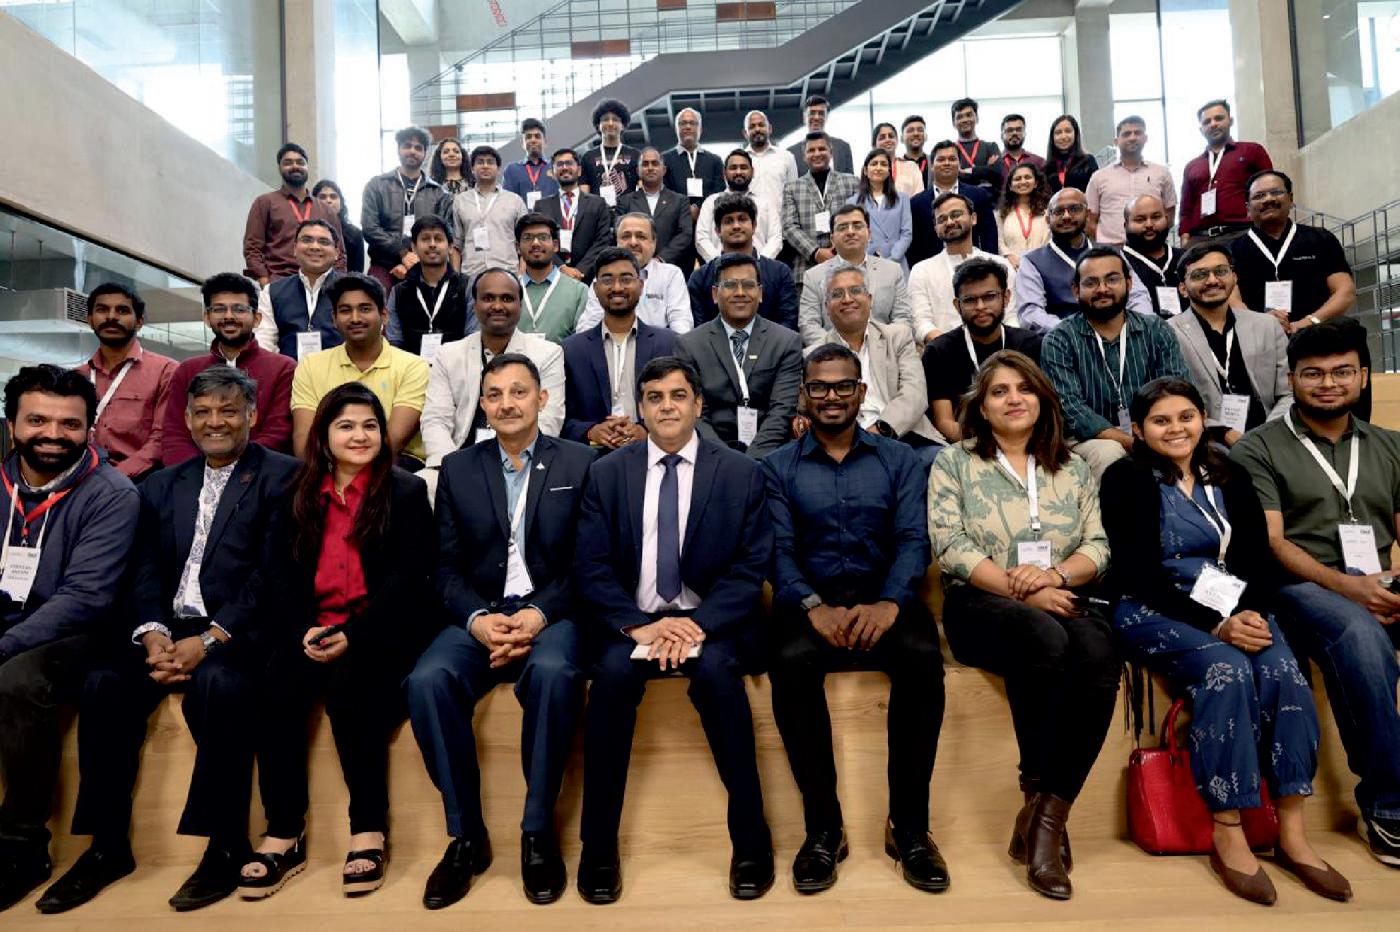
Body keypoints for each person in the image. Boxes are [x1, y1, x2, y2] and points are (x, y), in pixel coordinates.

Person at [39, 366, 297, 913]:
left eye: (229, 411)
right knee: (104, 683)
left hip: (238, 630)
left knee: (219, 687)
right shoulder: (161, 483)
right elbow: (144, 569)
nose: (215, 422)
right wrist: (153, 632)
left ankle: (224, 843)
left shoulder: (284, 478)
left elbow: (273, 575)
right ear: (186, 418)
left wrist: (211, 639)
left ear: (252, 415)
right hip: (167, 629)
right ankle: (106, 845)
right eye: (203, 412)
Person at [1101, 378, 1349, 905]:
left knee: (1284, 669)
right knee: (1228, 670)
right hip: (1154, 604)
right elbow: (1138, 572)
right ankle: (1228, 827)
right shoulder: (1127, 478)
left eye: (1186, 417)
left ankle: (1292, 832)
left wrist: (1246, 613)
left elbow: (1256, 557)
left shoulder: (1228, 471)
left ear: (1202, 419)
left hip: (1233, 603)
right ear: (1138, 430)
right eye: (1161, 421)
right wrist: (1217, 626)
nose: (1176, 429)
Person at [572, 356, 775, 904]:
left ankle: (751, 841)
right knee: (609, 685)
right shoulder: (606, 473)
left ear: (698, 404)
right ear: (640, 407)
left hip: (712, 624)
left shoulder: (740, 472)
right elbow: (591, 565)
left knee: (720, 682)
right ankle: (598, 847)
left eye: (678, 395)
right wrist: (636, 625)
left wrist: (696, 625)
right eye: (655, 397)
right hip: (632, 625)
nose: (667, 407)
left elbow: (750, 567)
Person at [407, 355, 595, 908]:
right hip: (481, 614)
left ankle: (537, 832)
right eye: (495, 394)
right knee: (428, 681)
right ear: (483, 405)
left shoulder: (582, 462)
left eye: (519, 392)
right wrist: (478, 620)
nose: (507, 403)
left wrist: (538, 615)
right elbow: (444, 568)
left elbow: (590, 562)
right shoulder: (459, 468)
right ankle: (466, 836)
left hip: (553, 613)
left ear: (542, 398)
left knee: (554, 673)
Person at [929, 351, 1116, 901]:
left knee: (1101, 654)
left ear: (1043, 400)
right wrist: (1022, 589)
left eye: (1025, 389)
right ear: (981, 408)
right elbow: (951, 545)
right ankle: (1038, 804)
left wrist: (1053, 577)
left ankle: (1046, 814)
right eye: (999, 391)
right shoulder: (955, 462)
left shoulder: (1073, 466)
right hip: (978, 602)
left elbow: (1098, 546)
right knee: (1043, 637)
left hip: (1059, 591)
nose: (1014, 399)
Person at [763, 344, 948, 896]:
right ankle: (824, 828)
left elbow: (913, 540)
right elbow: (778, 549)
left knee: (923, 659)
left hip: (884, 601)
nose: (831, 396)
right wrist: (810, 605)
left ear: (862, 392)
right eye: (819, 387)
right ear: (804, 394)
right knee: (788, 662)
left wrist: (889, 602)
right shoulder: (777, 467)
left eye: (843, 385)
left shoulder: (900, 461)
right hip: (811, 605)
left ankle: (909, 828)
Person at [242, 383, 436, 901]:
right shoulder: (295, 490)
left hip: (379, 631)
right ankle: (284, 832)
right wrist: (304, 627)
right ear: (323, 435)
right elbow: (278, 572)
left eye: (370, 425)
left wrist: (354, 634)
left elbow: (409, 580)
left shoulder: (405, 491)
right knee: (274, 689)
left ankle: (368, 829)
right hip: (313, 628)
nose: (360, 435)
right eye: (345, 426)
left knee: (352, 693)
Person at [1229, 319, 1400, 868]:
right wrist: (1354, 589)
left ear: (1363, 376)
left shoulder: (1389, 445)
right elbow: (1273, 542)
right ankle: (1388, 804)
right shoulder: (1257, 448)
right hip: (1297, 587)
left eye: (1342, 372)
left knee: (1366, 624)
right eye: (1313, 374)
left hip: (1378, 581)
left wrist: (1389, 584)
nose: (1328, 384)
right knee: (1360, 635)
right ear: (1292, 379)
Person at [0, 367, 139, 914]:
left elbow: (85, 597)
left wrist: (5, 644)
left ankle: (21, 844)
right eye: (38, 420)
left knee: (16, 680)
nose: (53, 434)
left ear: (89, 429)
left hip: (76, 631)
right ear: (12, 426)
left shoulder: (112, 493)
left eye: (70, 424)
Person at [1039, 247, 1189, 478]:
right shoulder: (1060, 339)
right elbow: (1069, 407)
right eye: (1091, 283)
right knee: (1110, 452)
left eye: (1112, 279)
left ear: (1129, 284)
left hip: (1154, 430)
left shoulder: (1156, 330)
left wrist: (1153, 433)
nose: (1102, 289)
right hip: (1088, 438)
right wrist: (1130, 441)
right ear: (1076, 290)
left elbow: (1177, 389)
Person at [420, 269, 565, 475]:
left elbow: (549, 419)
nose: (497, 306)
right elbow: (436, 419)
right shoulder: (448, 355)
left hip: (523, 464)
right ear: (475, 305)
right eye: (488, 298)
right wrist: (453, 469)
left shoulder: (548, 354)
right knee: (422, 485)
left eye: (507, 298)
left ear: (520, 305)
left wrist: (512, 463)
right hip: (457, 461)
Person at [290, 274, 431, 464]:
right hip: (327, 466)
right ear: (334, 319)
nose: (355, 318)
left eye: (365, 309)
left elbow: (393, 441)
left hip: (393, 465)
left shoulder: (413, 367)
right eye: (345, 310)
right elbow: (304, 442)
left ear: (384, 316)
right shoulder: (311, 366)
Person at [676, 253, 803, 459]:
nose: (740, 293)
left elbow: (782, 411)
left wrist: (753, 461)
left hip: (770, 455)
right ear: (715, 294)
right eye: (730, 285)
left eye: (749, 285)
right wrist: (729, 462)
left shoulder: (786, 342)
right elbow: (695, 413)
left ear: (760, 293)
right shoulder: (689, 345)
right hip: (711, 455)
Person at [162, 272, 296, 464]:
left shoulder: (283, 368)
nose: (228, 316)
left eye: (239, 309)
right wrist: (202, 474)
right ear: (207, 317)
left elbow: (277, 435)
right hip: (195, 476)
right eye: (219, 309)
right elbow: (175, 437)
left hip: (260, 475)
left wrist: (230, 471)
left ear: (257, 318)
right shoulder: (187, 371)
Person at [809, 266, 940, 460]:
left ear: (870, 299)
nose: (847, 299)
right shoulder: (814, 355)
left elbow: (915, 394)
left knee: (939, 460)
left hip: (903, 436)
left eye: (855, 291)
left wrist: (879, 430)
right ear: (827, 307)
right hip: (843, 445)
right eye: (837, 294)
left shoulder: (898, 337)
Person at [1167, 243, 1291, 446]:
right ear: (1182, 288)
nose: (1212, 280)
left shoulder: (1267, 326)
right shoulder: (1169, 333)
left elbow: (1289, 392)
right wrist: (1224, 433)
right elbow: (1172, 401)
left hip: (1270, 436)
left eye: (1221, 271)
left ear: (1234, 277)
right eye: (1199, 275)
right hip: (1206, 442)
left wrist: (1267, 435)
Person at [563, 248, 679, 448]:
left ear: (641, 285)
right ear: (595, 288)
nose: (617, 287)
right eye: (607, 280)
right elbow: (562, 418)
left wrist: (646, 431)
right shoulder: (571, 350)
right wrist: (591, 431)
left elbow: (682, 407)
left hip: (652, 450)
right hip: (592, 455)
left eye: (626, 279)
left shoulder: (669, 343)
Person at [925, 258, 1043, 443]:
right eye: (970, 300)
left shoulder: (1030, 345)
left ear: (1006, 297)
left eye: (989, 297)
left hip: (1027, 442)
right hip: (968, 445)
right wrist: (991, 446)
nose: (980, 307)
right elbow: (944, 422)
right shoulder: (939, 352)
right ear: (957, 305)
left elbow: (1044, 410)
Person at [1230, 170, 1356, 335]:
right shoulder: (1232, 250)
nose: (1268, 199)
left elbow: (1345, 291)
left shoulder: (1320, 239)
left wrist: (1307, 322)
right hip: (1258, 338)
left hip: (1317, 335)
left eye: (1276, 192)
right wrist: (1262, 323)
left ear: (1290, 199)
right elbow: (1231, 299)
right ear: (1247, 208)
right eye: (1259, 196)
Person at [74, 283, 178, 480]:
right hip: (81, 481)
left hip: (142, 482)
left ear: (139, 322)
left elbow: (162, 438)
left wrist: (113, 479)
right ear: (90, 320)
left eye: (122, 310)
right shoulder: (76, 377)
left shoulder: (166, 371)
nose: (111, 317)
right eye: (102, 310)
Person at [1014, 188, 1153, 332]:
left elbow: (1137, 296)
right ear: (1048, 219)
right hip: (1065, 339)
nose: (1066, 216)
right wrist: (1075, 332)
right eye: (1058, 211)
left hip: (1121, 334)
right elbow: (1030, 314)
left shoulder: (1113, 253)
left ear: (1088, 214)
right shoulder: (1032, 261)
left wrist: (1137, 327)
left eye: (1074, 209)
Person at [797, 204, 913, 347]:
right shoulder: (814, 276)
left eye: (857, 226)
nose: (850, 232)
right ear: (832, 239)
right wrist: (841, 350)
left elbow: (903, 318)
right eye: (842, 227)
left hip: (886, 351)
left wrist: (879, 348)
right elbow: (808, 324)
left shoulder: (892, 271)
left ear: (869, 234)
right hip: (834, 354)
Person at [909, 192, 1017, 343]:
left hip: (999, 350)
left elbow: (1011, 317)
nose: (949, 222)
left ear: (973, 218)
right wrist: (951, 348)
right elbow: (921, 323)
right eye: (942, 219)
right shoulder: (922, 271)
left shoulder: (1001, 265)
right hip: (945, 351)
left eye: (956, 214)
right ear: (936, 228)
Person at [361, 126, 455, 292]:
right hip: (384, 263)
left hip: (426, 264)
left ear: (425, 153)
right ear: (398, 149)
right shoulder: (376, 185)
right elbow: (370, 228)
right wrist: (402, 253)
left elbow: (443, 233)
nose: (412, 151)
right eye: (407, 146)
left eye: (418, 148)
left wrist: (413, 261)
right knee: (376, 300)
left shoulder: (439, 193)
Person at [689, 194, 799, 330]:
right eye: (729, 221)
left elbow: (788, 324)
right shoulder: (700, 278)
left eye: (742, 219)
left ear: (754, 226)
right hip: (714, 344)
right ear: (717, 230)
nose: (736, 226)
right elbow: (700, 329)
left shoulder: (780, 273)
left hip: (772, 343)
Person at [243, 143, 346, 287]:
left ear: (307, 167)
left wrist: (337, 283)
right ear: (279, 168)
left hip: (322, 285)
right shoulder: (265, 202)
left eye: (300, 162)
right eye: (288, 163)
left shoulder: (326, 210)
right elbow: (252, 247)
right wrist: (264, 280)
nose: (295, 166)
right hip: (280, 282)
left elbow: (339, 253)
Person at [577, 213, 692, 334]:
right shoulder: (604, 277)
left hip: (659, 345)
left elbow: (681, 323)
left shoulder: (670, 275)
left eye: (641, 237)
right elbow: (589, 323)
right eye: (626, 236)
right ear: (617, 242)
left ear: (653, 242)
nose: (633, 243)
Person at [1178, 100, 1272, 243]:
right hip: (1200, 239)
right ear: (1201, 129)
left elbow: (1268, 191)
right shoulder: (1192, 166)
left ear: (1231, 121)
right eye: (1207, 122)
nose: (1213, 124)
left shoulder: (1252, 151)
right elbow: (1186, 208)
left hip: (1242, 234)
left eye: (1219, 118)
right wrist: (1185, 237)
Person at [386, 216, 475, 360]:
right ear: (414, 247)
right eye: (425, 239)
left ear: (450, 247)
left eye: (438, 239)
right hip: (411, 368)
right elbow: (395, 342)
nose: (432, 244)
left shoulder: (467, 287)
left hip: (457, 366)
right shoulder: (399, 292)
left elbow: (473, 337)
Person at [255, 218, 343, 359]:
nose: (315, 247)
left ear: (337, 252)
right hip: (289, 371)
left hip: (341, 370)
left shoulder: (353, 289)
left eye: (323, 242)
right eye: (307, 240)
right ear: (295, 248)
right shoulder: (272, 292)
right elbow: (264, 341)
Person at [1085, 115, 1177, 247]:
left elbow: (1169, 213)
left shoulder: (1161, 173)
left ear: (1145, 138)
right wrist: (1104, 245)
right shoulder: (1099, 177)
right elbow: (1090, 219)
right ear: (1116, 141)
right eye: (1126, 134)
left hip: (1151, 248)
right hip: (1111, 249)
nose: (1132, 137)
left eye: (1138, 133)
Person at [782, 132, 860, 286]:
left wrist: (839, 246)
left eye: (822, 149)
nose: (817, 154)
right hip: (806, 268)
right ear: (804, 157)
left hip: (846, 264)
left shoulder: (852, 182)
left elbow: (859, 220)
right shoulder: (792, 188)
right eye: (811, 150)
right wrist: (815, 252)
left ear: (831, 152)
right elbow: (789, 226)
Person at [908, 139, 998, 266]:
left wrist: (989, 267)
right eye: (941, 159)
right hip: (933, 269)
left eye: (952, 159)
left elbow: (989, 235)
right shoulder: (916, 203)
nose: (947, 163)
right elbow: (914, 244)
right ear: (932, 166)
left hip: (973, 267)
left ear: (959, 164)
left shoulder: (978, 195)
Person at [534, 148, 614, 281]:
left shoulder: (598, 203)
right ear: (552, 173)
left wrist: (580, 270)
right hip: (553, 275)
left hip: (589, 276)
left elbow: (602, 241)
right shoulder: (541, 206)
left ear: (580, 170)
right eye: (560, 164)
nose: (565, 167)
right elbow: (540, 241)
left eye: (569, 163)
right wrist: (561, 268)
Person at [451, 145, 528, 279]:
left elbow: (525, 241)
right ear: (472, 168)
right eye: (480, 162)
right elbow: (456, 245)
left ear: (498, 168)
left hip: (508, 273)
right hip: (471, 274)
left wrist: (521, 274)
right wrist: (456, 279)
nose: (485, 166)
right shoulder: (460, 201)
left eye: (490, 162)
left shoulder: (515, 201)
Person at [514, 213, 591, 344]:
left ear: (555, 245)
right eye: (527, 238)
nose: (535, 243)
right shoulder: (509, 291)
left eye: (543, 237)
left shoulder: (579, 291)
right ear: (517, 247)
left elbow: (582, 341)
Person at [696, 149, 783, 262]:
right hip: (719, 267)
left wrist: (760, 263)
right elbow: (701, 238)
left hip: (759, 267)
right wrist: (719, 262)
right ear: (724, 173)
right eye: (733, 168)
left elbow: (775, 238)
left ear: (752, 171)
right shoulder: (711, 202)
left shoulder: (765, 203)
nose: (738, 172)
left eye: (743, 167)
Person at [618, 147, 695, 268]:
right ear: (638, 171)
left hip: (671, 265)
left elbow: (685, 234)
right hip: (634, 266)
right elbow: (619, 234)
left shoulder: (680, 200)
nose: (650, 168)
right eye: (645, 164)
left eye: (655, 163)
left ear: (663, 170)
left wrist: (661, 258)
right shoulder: (625, 201)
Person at [848, 148, 912, 271]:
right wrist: (869, 259)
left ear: (889, 171)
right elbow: (854, 235)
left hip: (896, 264)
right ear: (865, 170)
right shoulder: (853, 202)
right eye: (874, 164)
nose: (878, 168)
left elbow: (906, 233)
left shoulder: (902, 198)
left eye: (883, 164)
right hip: (865, 264)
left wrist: (892, 259)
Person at [1122, 194, 1185, 318]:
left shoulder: (1186, 258)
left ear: (1166, 219)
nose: (1149, 224)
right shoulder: (1118, 263)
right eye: (1140, 219)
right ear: (1126, 225)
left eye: (1156, 217)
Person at [663, 108, 726, 218]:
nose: (688, 127)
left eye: (692, 123)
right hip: (675, 219)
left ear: (700, 129)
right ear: (677, 129)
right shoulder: (664, 160)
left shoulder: (715, 160)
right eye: (683, 123)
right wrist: (685, 209)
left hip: (708, 218)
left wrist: (700, 207)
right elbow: (663, 191)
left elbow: (719, 191)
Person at [580, 98, 640, 207]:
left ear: (623, 125)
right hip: (597, 213)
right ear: (598, 125)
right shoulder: (588, 157)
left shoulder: (636, 155)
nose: (610, 123)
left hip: (628, 212)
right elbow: (584, 194)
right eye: (605, 119)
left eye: (615, 120)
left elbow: (642, 190)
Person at [743, 109, 798, 225]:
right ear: (745, 133)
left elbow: (794, 195)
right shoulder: (740, 160)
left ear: (770, 129)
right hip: (749, 227)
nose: (757, 129)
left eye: (761, 125)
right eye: (752, 126)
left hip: (781, 226)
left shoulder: (787, 157)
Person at [997, 163, 1051, 268]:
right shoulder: (1001, 214)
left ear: (1036, 183)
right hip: (1012, 267)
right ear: (1010, 186)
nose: (1023, 181)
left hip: (1042, 266)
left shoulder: (1048, 211)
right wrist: (1008, 256)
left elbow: (1050, 240)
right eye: (1017, 179)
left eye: (1027, 177)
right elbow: (1000, 242)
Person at [787, 94, 854, 175]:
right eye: (812, 113)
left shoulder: (843, 147)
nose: (816, 117)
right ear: (804, 117)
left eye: (821, 113)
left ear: (827, 116)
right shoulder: (791, 153)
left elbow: (850, 179)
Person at [502, 119, 560, 208]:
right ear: (522, 143)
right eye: (528, 137)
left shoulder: (556, 168)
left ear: (545, 142)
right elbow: (507, 203)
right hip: (522, 216)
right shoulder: (511, 170)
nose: (533, 140)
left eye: (537, 136)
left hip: (551, 216)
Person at [313, 179, 365, 273]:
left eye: (333, 197)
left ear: (341, 204)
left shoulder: (354, 234)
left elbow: (357, 273)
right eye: (322, 197)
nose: (328, 201)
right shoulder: (306, 232)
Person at [950, 98, 1001, 190]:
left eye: (969, 115)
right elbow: (951, 176)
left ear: (977, 118)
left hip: (988, 197)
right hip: (959, 197)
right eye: (960, 117)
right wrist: (985, 169)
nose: (965, 120)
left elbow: (997, 171)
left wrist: (968, 171)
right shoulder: (950, 150)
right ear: (954, 123)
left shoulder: (990, 147)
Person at [1044, 115, 1098, 195]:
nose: (1063, 136)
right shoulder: (1047, 167)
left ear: (1076, 134)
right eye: (1058, 132)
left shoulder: (1088, 161)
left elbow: (1097, 191)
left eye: (1068, 131)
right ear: (1052, 137)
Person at [873, 122, 924, 199]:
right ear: (874, 144)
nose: (887, 140)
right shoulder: (869, 170)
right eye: (882, 138)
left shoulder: (911, 167)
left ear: (897, 141)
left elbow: (919, 197)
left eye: (891, 136)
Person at [998, 114, 1045, 181]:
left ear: (1024, 133)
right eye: (1010, 130)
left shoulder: (1039, 162)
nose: (1014, 133)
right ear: (1002, 135)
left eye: (1019, 130)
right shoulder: (995, 163)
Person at [899, 115, 930, 186]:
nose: (916, 133)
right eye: (910, 130)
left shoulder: (934, 162)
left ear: (926, 137)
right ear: (901, 138)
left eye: (920, 130)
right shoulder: (896, 166)